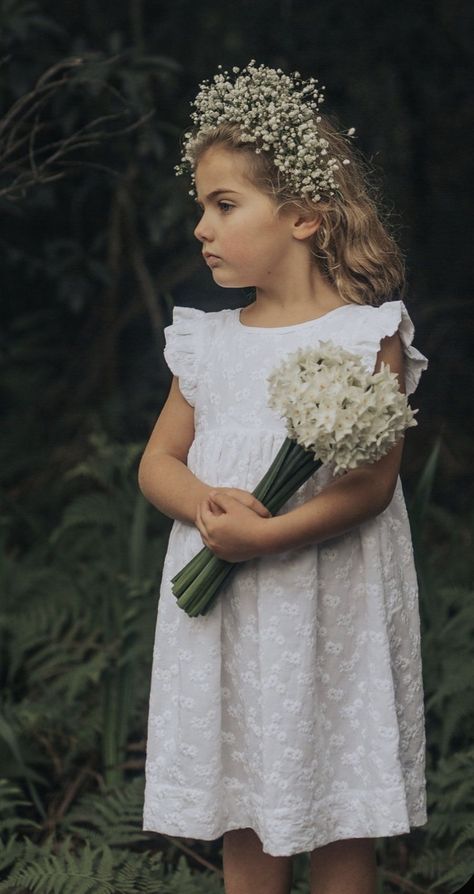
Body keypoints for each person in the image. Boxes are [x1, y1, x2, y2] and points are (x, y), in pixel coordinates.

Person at [139, 61, 428, 894]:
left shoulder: (368, 333)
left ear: (303, 215)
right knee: (245, 808)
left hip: (328, 600)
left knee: (339, 811)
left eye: (224, 205)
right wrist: (205, 505)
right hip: (230, 611)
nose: (202, 226)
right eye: (201, 206)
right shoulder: (208, 341)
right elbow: (157, 462)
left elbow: (369, 487)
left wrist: (266, 535)